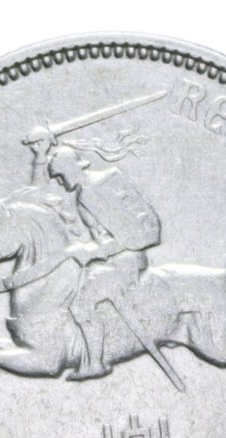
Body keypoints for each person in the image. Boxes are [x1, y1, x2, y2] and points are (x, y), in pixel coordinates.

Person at [48, 146, 161, 378]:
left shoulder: (92, 192)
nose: (58, 182)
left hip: (124, 262)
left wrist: (94, 251)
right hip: (114, 260)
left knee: (80, 304)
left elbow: (129, 237)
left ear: (70, 169)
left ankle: (94, 365)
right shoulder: (90, 189)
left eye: (60, 175)